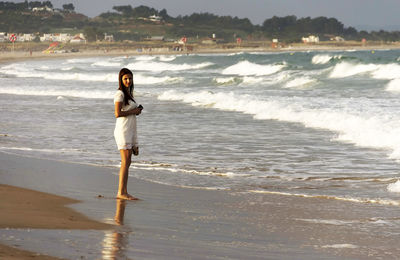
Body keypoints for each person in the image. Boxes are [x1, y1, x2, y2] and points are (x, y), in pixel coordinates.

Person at [114, 68, 143, 200]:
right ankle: (121, 192)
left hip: (130, 130)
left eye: (130, 78)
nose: (128, 81)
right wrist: (134, 111)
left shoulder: (129, 94)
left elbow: (128, 112)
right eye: (125, 78)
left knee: (128, 162)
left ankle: (123, 191)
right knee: (125, 162)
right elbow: (117, 113)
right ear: (121, 79)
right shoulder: (120, 94)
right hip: (123, 130)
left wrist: (136, 111)